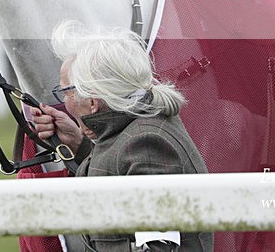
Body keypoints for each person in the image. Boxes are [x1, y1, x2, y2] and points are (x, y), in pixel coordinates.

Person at [30, 20, 214, 252]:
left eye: (65, 91)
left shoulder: (146, 144)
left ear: (93, 101)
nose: (63, 100)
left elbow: (159, 249)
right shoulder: (136, 130)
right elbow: (118, 170)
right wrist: (78, 145)